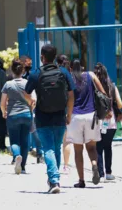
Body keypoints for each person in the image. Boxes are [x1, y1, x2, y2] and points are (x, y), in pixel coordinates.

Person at [25, 44, 75, 194]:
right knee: (56, 147)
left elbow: (26, 92)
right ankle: (55, 177)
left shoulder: (36, 74)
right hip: (60, 115)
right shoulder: (64, 72)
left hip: (42, 116)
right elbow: (72, 95)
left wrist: (31, 101)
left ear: (42, 57)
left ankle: (54, 180)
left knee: (48, 148)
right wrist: (69, 114)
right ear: (55, 56)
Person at [66, 59, 106, 188]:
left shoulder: (69, 78)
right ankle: (94, 164)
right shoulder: (91, 75)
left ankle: (81, 180)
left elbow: (67, 97)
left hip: (75, 116)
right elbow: (103, 93)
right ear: (82, 67)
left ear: (70, 68)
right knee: (92, 148)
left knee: (78, 151)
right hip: (91, 116)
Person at [1, 58, 34, 174]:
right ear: (23, 70)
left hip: (12, 115)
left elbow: (3, 102)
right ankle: (23, 167)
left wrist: (3, 111)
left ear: (12, 70)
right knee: (25, 141)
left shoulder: (8, 84)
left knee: (14, 140)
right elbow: (33, 100)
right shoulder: (27, 83)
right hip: (26, 114)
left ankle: (16, 156)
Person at [94, 63, 122, 182]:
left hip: (98, 120)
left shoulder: (94, 87)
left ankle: (100, 173)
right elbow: (120, 104)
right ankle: (109, 173)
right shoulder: (112, 86)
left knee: (98, 147)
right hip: (111, 121)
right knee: (108, 147)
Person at [56, 54, 72, 173]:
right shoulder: (69, 74)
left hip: (55, 108)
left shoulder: (54, 72)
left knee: (56, 139)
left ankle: (55, 164)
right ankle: (66, 165)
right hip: (68, 108)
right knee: (66, 140)